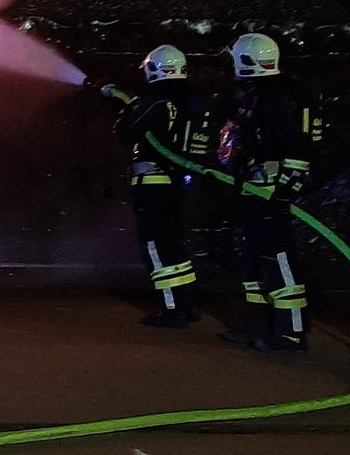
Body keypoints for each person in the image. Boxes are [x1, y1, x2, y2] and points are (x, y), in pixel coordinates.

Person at [216, 32, 321, 353]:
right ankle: (258, 323)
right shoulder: (255, 95)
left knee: (278, 259)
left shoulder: (274, 97)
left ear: (247, 62)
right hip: (253, 189)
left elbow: (296, 146)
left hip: (269, 191)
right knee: (253, 262)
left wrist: (286, 189)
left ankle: (291, 332)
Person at [101, 44, 201, 328]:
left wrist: (125, 106)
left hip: (152, 184)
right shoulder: (187, 103)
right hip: (174, 184)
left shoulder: (156, 102)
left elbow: (127, 132)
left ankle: (172, 310)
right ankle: (188, 304)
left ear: (153, 69)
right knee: (174, 246)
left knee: (155, 246)